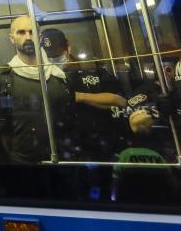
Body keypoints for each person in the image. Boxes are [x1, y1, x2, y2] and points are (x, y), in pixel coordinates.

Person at [0, 15, 71, 163]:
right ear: (12, 38)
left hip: (62, 160)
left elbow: (68, 118)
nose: (28, 37)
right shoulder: (4, 81)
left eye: (32, 32)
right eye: (21, 32)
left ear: (40, 38)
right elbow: (3, 127)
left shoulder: (58, 77)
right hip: (23, 163)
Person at [41, 29, 126, 161]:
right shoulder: (45, 79)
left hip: (101, 147)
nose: (53, 60)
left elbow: (119, 101)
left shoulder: (93, 71)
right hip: (64, 150)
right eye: (49, 57)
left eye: (56, 55)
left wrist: (77, 96)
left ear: (68, 48)